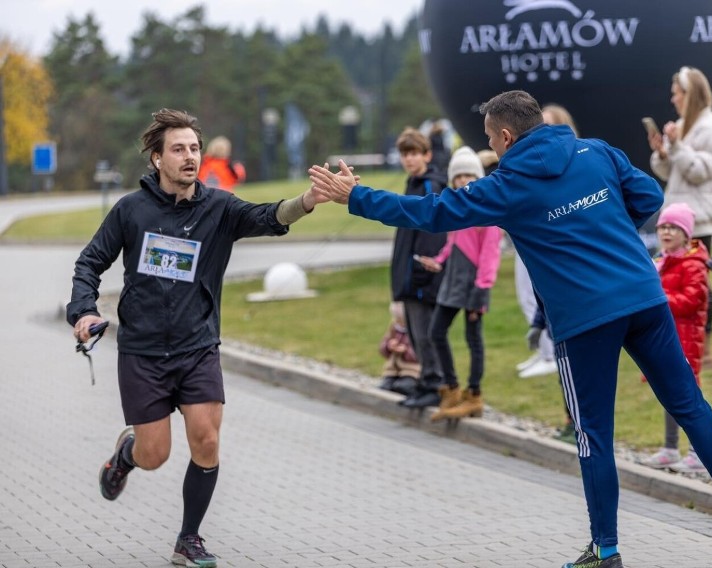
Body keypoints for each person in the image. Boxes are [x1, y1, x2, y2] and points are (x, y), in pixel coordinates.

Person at [309, 89, 712, 568]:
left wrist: (356, 196)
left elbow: (432, 212)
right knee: (689, 405)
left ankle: (607, 553)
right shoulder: (597, 151)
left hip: (584, 319)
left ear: (506, 136)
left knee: (593, 436)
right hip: (643, 298)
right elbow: (650, 196)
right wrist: (603, 228)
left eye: (490, 138)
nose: (491, 146)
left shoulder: (506, 185)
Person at [66, 109, 328, 568]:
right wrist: (84, 309)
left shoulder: (219, 209)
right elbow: (89, 263)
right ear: (156, 159)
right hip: (143, 352)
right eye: (178, 149)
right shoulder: (131, 210)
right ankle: (125, 456)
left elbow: (267, 216)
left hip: (197, 346)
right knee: (156, 455)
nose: (189, 157)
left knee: (206, 441)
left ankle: (189, 538)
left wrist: (307, 199)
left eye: (194, 148)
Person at [648, 66, 712, 369]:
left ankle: (705, 348)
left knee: (698, 284)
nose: (673, 99)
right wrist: (662, 153)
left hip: (700, 219)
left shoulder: (711, 128)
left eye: (677, 93)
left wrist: (678, 146)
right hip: (682, 216)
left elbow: (698, 173)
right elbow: (673, 173)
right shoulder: (687, 124)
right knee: (679, 281)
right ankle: (685, 341)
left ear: (690, 94)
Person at [415, 146, 503, 421]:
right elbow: (454, 242)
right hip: (452, 280)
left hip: (474, 285)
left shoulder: (487, 213)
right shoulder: (457, 208)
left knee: (473, 339)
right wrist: (439, 260)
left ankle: (474, 394)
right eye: (459, 176)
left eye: (469, 175)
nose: (464, 181)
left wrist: (482, 290)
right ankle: (451, 388)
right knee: (436, 331)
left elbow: (490, 254)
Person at [642, 203, 709, 473]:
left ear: (687, 234)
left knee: (688, 396)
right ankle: (670, 448)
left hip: (686, 339)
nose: (667, 232)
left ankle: (699, 452)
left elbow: (693, 300)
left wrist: (659, 299)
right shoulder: (660, 261)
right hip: (664, 338)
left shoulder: (693, 265)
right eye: (663, 227)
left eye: (674, 228)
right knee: (668, 393)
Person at [515, 103, 578, 379]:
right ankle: (543, 350)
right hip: (530, 234)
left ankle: (552, 353)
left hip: (551, 241)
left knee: (546, 295)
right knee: (528, 294)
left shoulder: (574, 159)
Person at [388, 127, 448, 409]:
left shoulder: (429, 185)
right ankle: (425, 381)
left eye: (414, 154)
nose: (409, 160)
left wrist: (421, 273)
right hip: (409, 276)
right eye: (405, 154)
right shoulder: (412, 183)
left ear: (427, 154)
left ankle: (435, 384)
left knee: (425, 335)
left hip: (423, 278)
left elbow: (431, 233)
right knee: (415, 334)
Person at [377, 301, 421, 398]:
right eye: (397, 320)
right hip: (394, 369)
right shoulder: (394, 327)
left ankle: (415, 388)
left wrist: (406, 350)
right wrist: (389, 346)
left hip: (411, 370)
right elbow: (382, 348)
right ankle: (392, 381)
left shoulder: (416, 329)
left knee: (404, 387)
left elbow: (420, 354)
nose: (400, 324)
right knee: (384, 387)